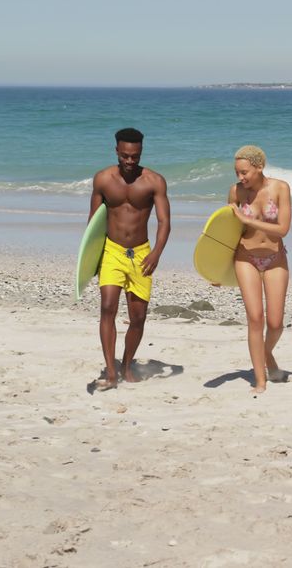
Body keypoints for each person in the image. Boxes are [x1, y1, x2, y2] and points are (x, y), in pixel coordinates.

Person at [89, 128, 171, 391]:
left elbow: (164, 221)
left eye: (135, 156)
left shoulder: (154, 181)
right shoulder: (102, 179)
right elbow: (93, 223)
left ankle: (126, 364)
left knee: (138, 317)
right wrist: (92, 258)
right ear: (116, 151)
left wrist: (157, 252)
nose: (129, 161)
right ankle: (111, 373)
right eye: (125, 155)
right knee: (107, 308)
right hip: (111, 251)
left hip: (141, 254)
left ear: (141, 153)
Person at [228, 145, 292, 394]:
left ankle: (266, 353)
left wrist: (248, 219)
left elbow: (283, 229)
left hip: (275, 258)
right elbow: (227, 231)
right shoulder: (235, 192)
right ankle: (260, 380)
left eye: (244, 172)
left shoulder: (280, 188)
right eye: (237, 173)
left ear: (259, 167)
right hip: (245, 258)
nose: (240, 178)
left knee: (275, 323)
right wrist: (217, 269)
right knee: (255, 319)